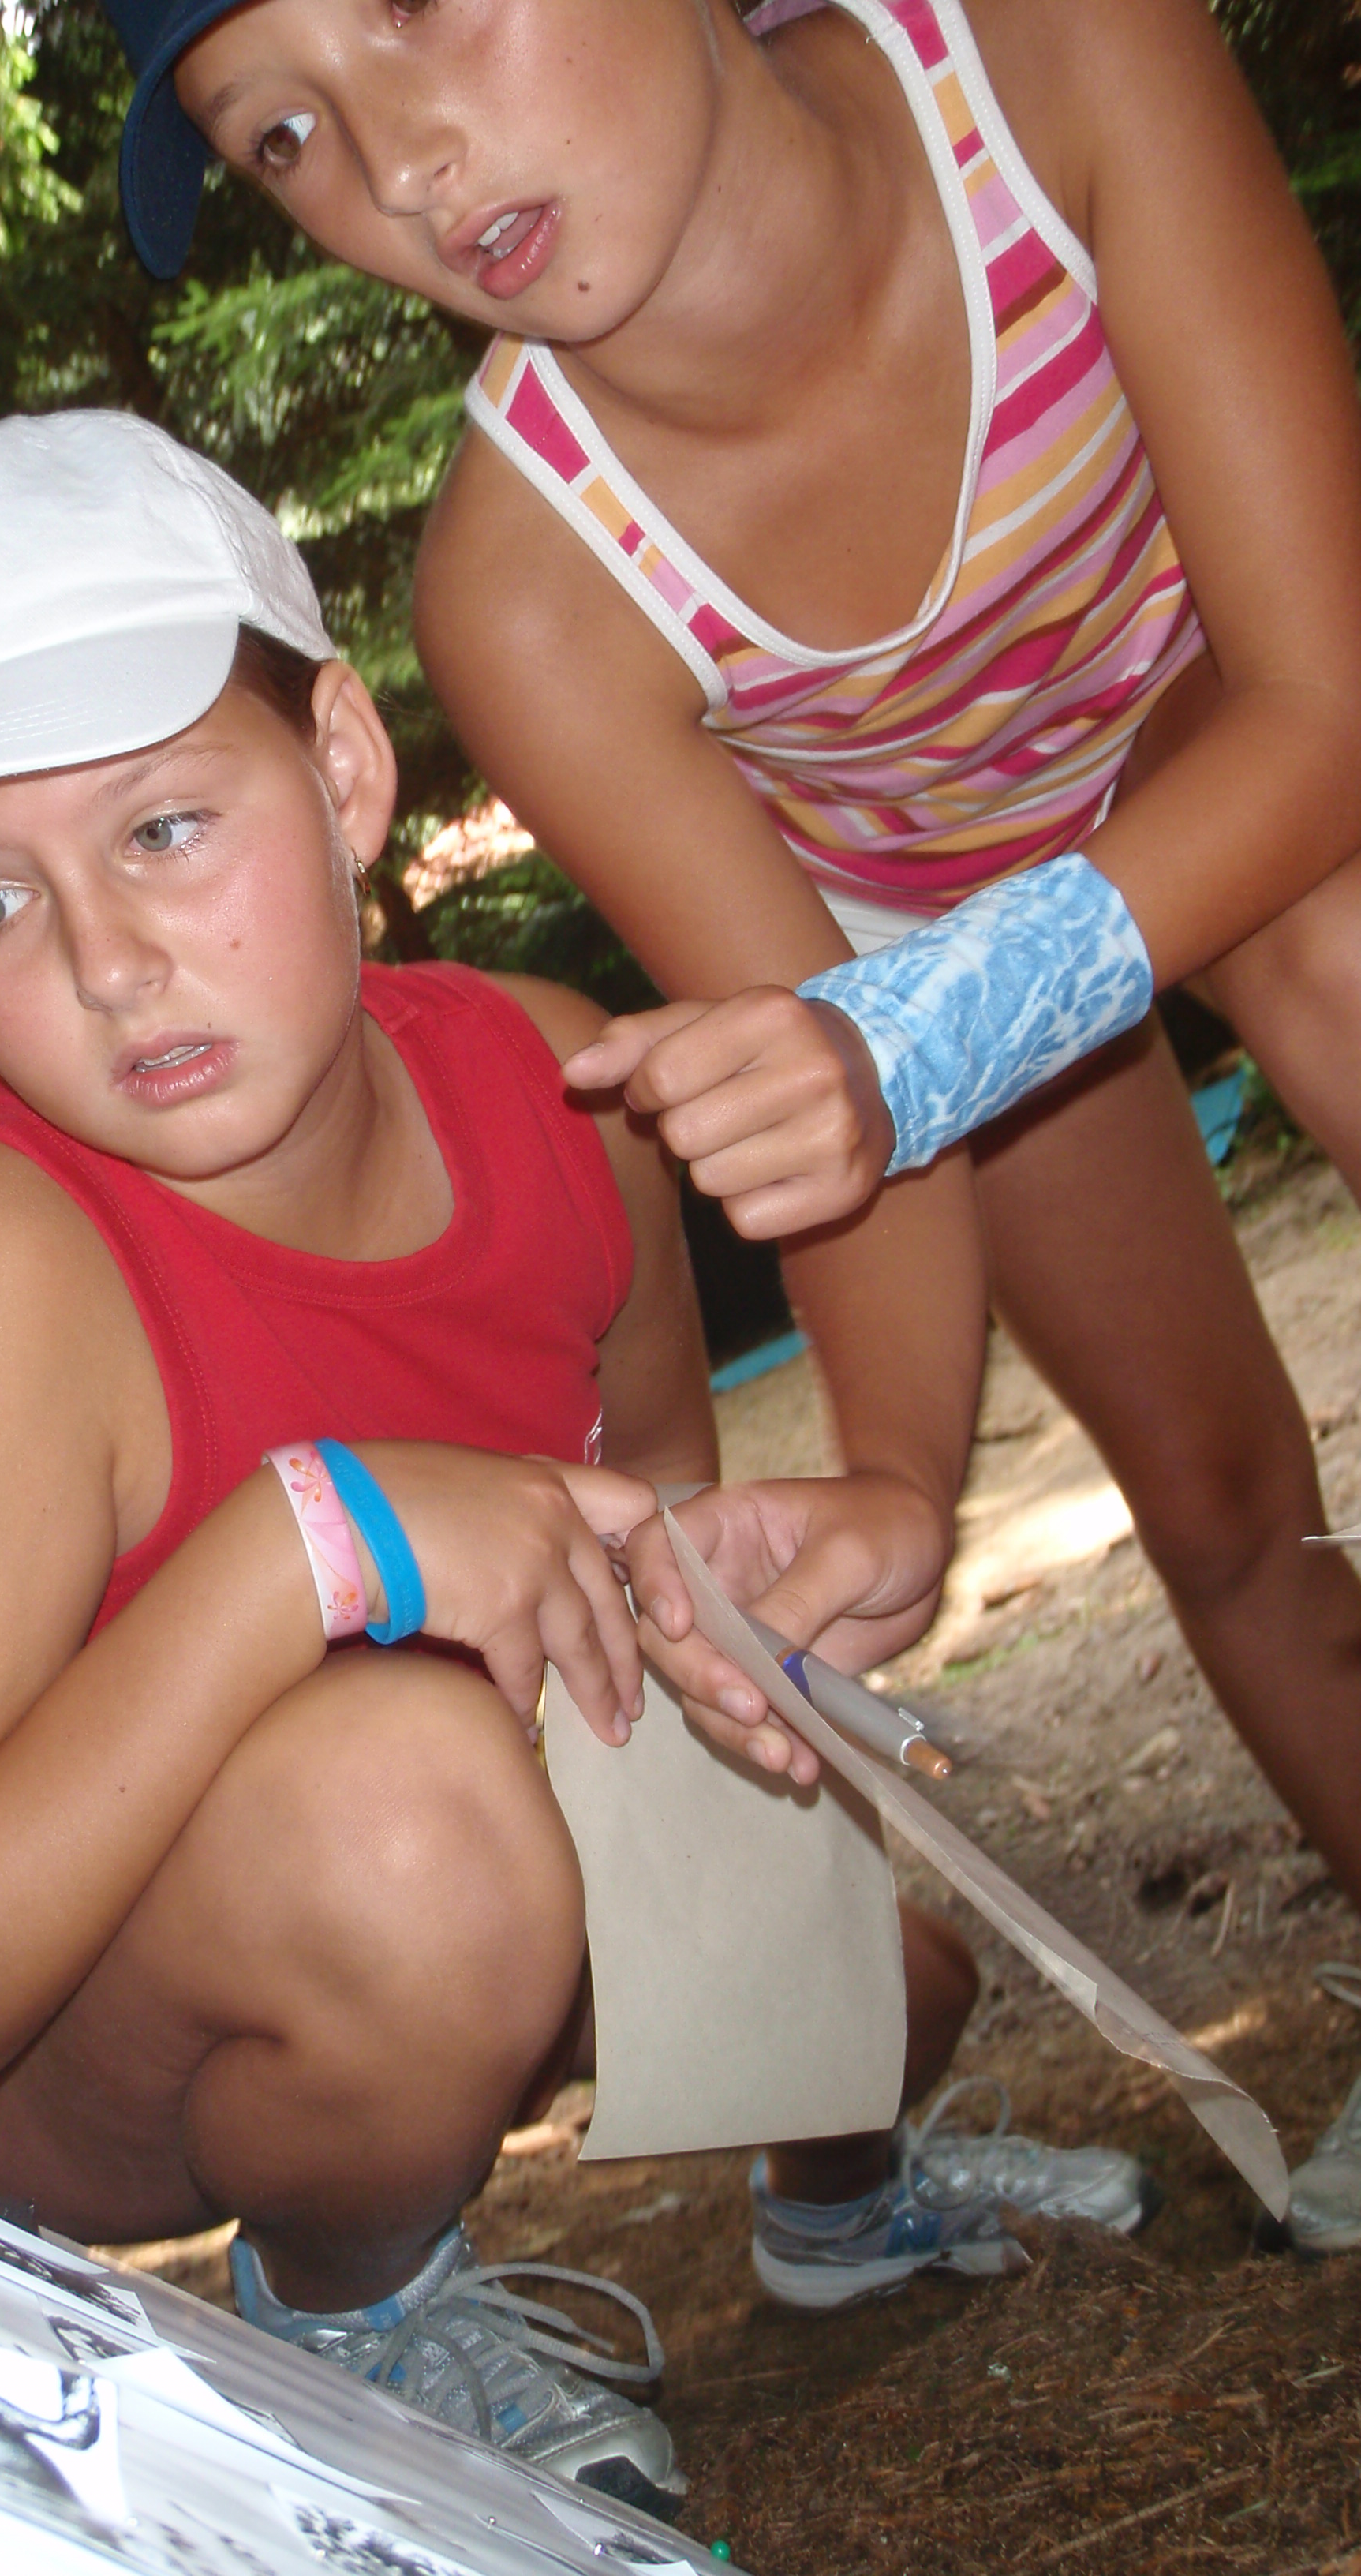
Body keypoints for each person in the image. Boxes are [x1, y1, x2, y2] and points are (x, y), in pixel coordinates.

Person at [0, 410, 1145, 2514]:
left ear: (344, 769)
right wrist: (311, 1546)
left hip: (481, 1851)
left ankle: (838, 2211)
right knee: (414, 1817)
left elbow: (653, 1498)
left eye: (165, 830)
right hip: (98, 2036)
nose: (105, 964)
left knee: (892, 1989)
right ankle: (349, 2319)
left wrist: (734, 1599)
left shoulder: (550, 1082)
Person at [97, 0, 1361, 2250]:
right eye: (284, 134)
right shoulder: (529, 581)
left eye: (424, 7)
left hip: (1238, 763)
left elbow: (1322, 707)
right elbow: (802, 1057)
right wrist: (892, 1479)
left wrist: (924, 1034)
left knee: (1322, 945)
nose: (400, 161)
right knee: (1218, 1501)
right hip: (921, 966)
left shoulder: (1056, 71)